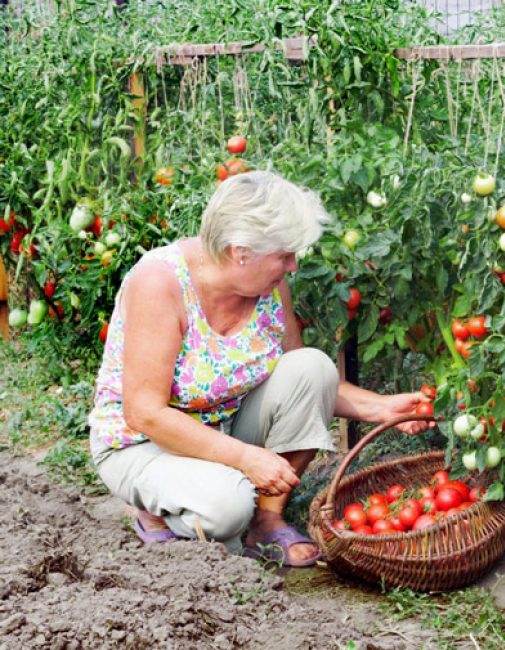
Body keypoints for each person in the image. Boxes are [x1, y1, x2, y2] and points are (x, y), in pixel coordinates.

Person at [88, 171, 432, 567]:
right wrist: (247, 459)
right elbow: (144, 412)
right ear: (241, 252)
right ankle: (156, 511)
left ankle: (266, 521)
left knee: (312, 366)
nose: (293, 265)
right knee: (228, 508)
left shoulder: (267, 285)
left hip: (226, 424)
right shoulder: (160, 283)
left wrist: (383, 408)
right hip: (144, 443)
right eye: (284, 255)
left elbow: (304, 383)